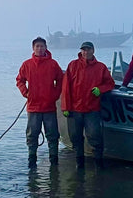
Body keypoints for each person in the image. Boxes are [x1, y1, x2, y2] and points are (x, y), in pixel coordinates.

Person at [61, 41, 115, 168]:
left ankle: (99, 164)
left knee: (95, 137)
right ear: (81, 51)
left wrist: (100, 90)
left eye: (88, 49)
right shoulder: (72, 65)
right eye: (84, 50)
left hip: (92, 110)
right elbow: (66, 88)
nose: (86, 52)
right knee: (75, 138)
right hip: (74, 110)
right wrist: (65, 107)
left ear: (93, 51)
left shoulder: (101, 67)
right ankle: (79, 163)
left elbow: (110, 84)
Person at [16, 37, 64, 167]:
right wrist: (25, 92)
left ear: (46, 48)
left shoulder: (53, 64)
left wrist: (55, 94)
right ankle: (32, 161)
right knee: (32, 135)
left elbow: (61, 80)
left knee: (53, 135)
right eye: (37, 46)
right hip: (33, 107)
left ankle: (54, 161)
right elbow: (20, 80)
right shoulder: (27, 64)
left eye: (42, 46)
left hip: (49, 106)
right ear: (33, 48)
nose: (39, 48)